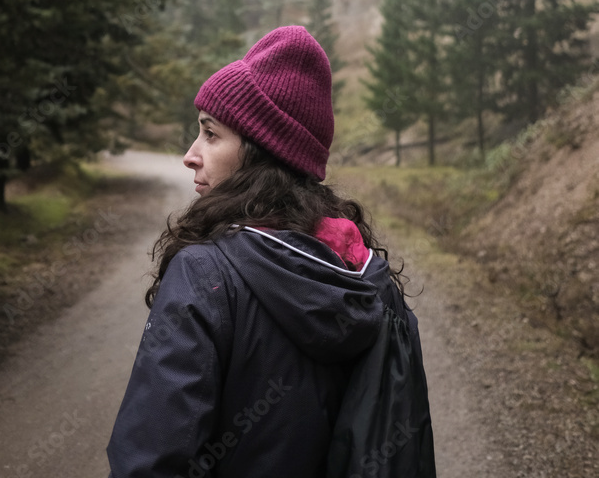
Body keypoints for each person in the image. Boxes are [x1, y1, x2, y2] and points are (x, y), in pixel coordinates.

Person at [106, 25, 436, 478]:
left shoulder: (205, 275)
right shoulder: (370, 279)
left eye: (210, 133)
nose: (190, 154)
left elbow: (152, 460)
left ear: (260, 153)